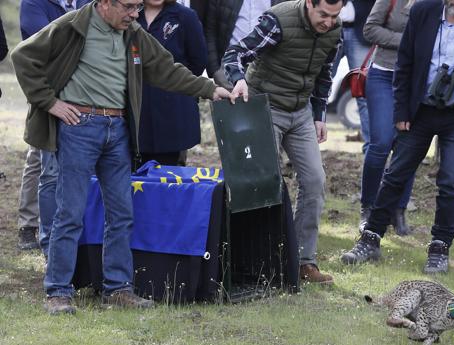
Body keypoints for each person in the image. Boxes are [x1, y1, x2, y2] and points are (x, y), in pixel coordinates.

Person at [11, 0, 231, 315]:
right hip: (78, 128)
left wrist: (210, 89)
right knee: (70, 213)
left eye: (138, 7)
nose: (134, 14)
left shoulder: (134, 34)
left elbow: (167, 70)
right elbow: (23, 56)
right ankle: (58, 292)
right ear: (104, 3)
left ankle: (118, 289)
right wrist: (49, 102)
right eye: (128, 7)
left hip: (117, 131)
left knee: (121, 213)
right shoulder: (73, 24)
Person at [341, 0, 454, 273]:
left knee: (451, 183)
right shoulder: (422, 12)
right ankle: (370, 240)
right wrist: (402, 109)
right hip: (420, 111)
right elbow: (404, 63)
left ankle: (439, 248)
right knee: (396, 174)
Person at [223, 0, 345, 285]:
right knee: (268, 184)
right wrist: (238, 79)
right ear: (309, 4)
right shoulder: (278, 21)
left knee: (315, 180)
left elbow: (325, 73)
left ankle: (304, 261)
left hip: (300, 111)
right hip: (265, 106)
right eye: (323, 15)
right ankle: (264, 260)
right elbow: (235, 53)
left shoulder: (335, 30)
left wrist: (319, 115)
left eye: (334, 16)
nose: (328, 22)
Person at [16, 0, 90, 253]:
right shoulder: (34, 3)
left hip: (83, 91)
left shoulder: (87, 2)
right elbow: (45, 40)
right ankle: (29, 225)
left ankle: (75, 225)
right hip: (46, 90)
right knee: (40, 156)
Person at [359, 0, 415, 237]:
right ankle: (368, 208)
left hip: (416, 81)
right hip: (384, 75)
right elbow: (370, 29)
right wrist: (407, 41)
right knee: (380, 144)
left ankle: (398, 210)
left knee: (409, 147)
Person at [135, 0, 207, 167]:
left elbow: (198, 62)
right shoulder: (129, 14)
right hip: (136, 109)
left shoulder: (185, 17)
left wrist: (175, 83)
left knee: (168, 175)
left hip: (172, 111)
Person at [206, 0, 288, 90]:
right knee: (234, 103)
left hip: (268, 71)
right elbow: (209, 30)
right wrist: (215, 70)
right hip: (228, 68)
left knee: (265, 104)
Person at [331, 0, 373, 153]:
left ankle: (371, 149)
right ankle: (307, 149)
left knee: (364, 92)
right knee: (316, 88)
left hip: (361, 30)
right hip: (328, 27)